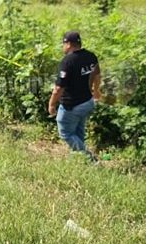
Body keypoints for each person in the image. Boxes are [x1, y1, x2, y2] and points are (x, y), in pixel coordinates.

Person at [48, 31, 101, 159]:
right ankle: (78, 159)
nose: (63, 46)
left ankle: (89, 159)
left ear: (69, 44)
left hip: (72, 105)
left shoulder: (67, 61)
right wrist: (96, 91)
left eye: (63, 43)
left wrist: (51, 104)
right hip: (87, 102)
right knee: (78, 132)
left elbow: (59, 88)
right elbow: (97, 75)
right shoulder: (91, 56)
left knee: (65, 133)